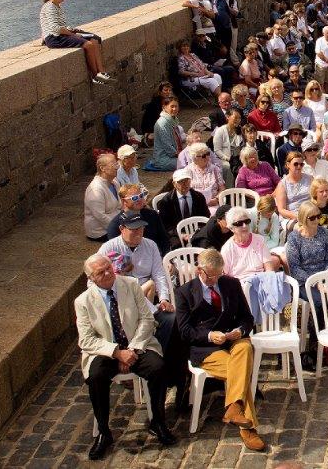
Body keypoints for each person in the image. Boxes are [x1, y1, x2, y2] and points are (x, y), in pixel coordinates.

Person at [75, 255, 176, 460]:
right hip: (105, 350)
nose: (107, 273)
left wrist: (132, 349)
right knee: (95, 377)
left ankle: (158, 422)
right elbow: (86, 340)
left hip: (136, 343)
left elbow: (147, 319)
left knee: (158, 368)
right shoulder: (83, 301)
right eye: (100, 272)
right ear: (91, 278)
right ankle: (104, 432)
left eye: (108, 268)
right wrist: (117, 353)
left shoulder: (130, 284)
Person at [174, 249, 265, 451]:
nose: (215, 279)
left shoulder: (231, 284)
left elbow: (247, 318)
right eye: (211, 276)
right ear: (199, 271)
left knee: (244, 348)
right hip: (206, 348)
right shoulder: (184, 293)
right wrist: (209, 335)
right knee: (241, 372)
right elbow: (185, 331)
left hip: (233, 342)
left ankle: (234, 408)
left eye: (219, 274)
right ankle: (248, 428)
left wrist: (239, 331)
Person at [286, 201, 328, 369]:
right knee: (319, 302)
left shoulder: (324, 233)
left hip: (324, 277)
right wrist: (316, 282)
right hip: (304, 280)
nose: (317, 220)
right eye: (312, 218)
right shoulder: (294, 238)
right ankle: (317, 341)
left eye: (319, 216)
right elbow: (295, 268)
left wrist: (326, 277)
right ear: (304, 219)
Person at [39, 0, 112, 83]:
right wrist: (73, 34)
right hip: (55, 38)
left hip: (59, 34)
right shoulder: (50, 7)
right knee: (89, 45)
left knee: (94, 39)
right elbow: (55, 28)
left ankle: (102, 72)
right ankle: (95, 76)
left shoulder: (57, 6)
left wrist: (72, 30)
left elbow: (54, 25)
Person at [105, 184, 171, 257]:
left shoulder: (152, 215)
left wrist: (165, 257)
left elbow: (164, 239)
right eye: (135, 198)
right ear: (124, 201)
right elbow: (117, 254)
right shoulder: (115, 226)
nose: (139, 200)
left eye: (141, 196)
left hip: (157, 256)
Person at [221, 207, 280, 281]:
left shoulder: (259, 240)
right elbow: (225, 276)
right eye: (239, 223)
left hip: (261, 282)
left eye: (247, 221)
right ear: (231, 228)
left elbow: (269, 268)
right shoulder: (227, 249)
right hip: (239, 285)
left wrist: (269, 282)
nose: (244, 226)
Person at [159, 169, 211, 249]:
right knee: (176, 245)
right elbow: (165, 225)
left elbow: (205, 216)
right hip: (176, 233)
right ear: (174, 184)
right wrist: (180, 234)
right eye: (181, 181)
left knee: (205, 244)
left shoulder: (199, 197)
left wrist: (197, 232)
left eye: (187, 181)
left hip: (197, 230)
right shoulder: (166, 201)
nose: (185, 184)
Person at [145, 97, 185, 172]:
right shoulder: (162, 123)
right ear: (164, 107)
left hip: (173, 156)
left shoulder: (173, 119)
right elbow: (167, 146)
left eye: (176, 106)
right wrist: (181, 156)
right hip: (163, 159)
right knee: (189, 163)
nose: (174, 109)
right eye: (172, 106)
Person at [275, 151, 314, 221]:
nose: (299, 167)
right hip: (291, 217)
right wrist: (299, 217)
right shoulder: (282, 184)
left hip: (311, 214)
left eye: (301, 164)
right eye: (296, 164)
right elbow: (281, 209)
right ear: (288, 164)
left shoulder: (310, 179)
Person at [186, 142, 226, 207]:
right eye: (203, 156)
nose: (207, 157)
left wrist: (216, 199)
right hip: (195, 205)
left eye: (208, 154)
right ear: (195, 158)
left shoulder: (215, 169)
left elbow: (222, 188)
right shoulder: (188, 170)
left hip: (213, 204)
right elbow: (185, 190)